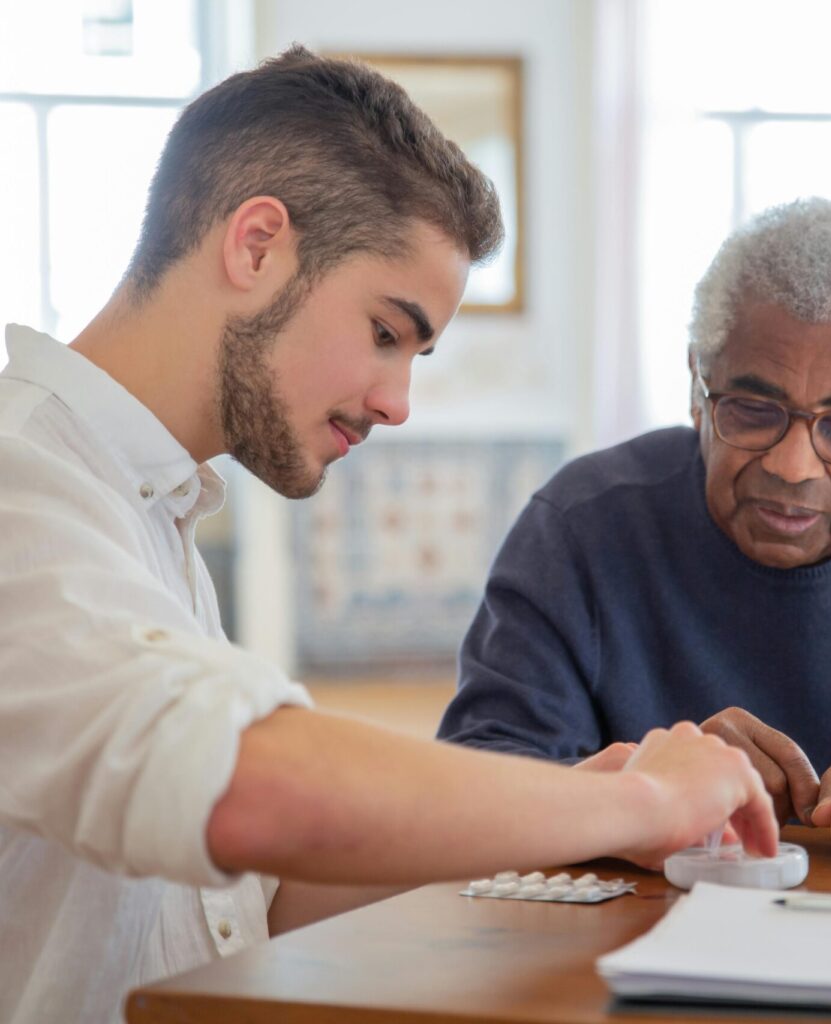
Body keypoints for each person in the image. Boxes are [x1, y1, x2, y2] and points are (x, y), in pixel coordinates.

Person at [0, 47, 777, 1024]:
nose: (397, 402)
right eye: (383, 330)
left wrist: (565, 807)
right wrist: (642, 804)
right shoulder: (19, 479)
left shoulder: (147, 507)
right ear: (256, 246)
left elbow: (248, 897)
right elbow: (248, 787)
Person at [439, 197, 831, 862]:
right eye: (752, 409)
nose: (793, 465)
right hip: (630, 938)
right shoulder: (581, 525)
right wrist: (643, 791)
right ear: (697, 386)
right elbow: (481, 775)